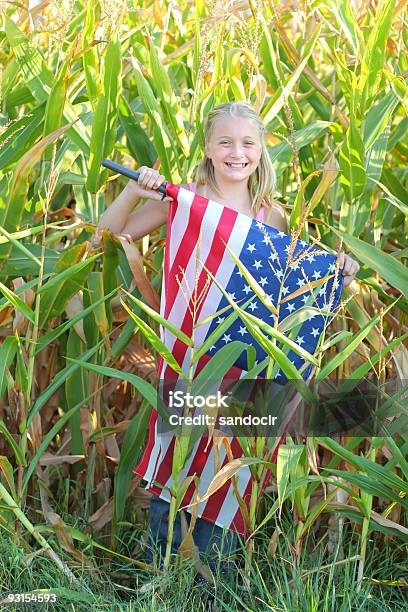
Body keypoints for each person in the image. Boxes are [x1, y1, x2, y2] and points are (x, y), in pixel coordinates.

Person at [95, 102, 360, 575]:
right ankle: (163, 581)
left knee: (227, 460)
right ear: (208, 149)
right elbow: (112, 231)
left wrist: (342, 274)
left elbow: (293, 292)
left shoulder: (271, 217)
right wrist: (136, 189)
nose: (237, 152)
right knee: (177, 453)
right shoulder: (184, 200)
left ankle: (214, 582)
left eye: (247, 143)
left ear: (261, 151)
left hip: (243, 366)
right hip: (187, 356)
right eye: (225, 142)